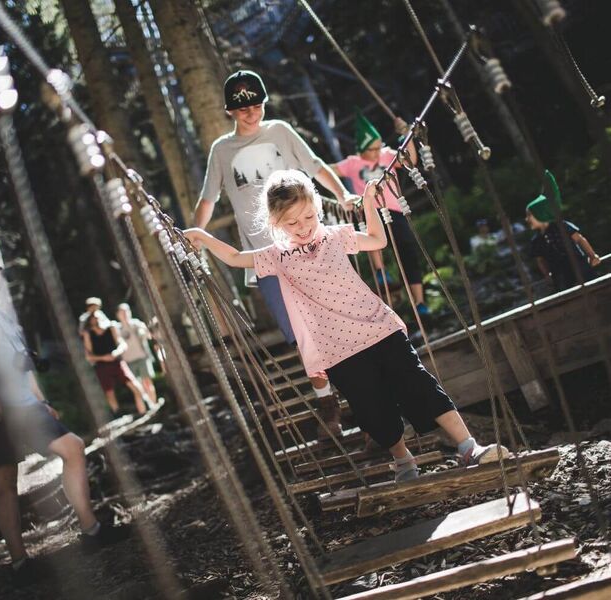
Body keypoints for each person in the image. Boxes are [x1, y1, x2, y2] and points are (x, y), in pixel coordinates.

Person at [185, 169, 507, 481]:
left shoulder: (336, 236)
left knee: (418, 383)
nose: (303, 227)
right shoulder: (276, 256)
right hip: (336, 348)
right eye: (292, 222)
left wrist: (368, 204)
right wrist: (203, 237)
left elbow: (377, 240)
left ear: (318, 208)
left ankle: (468, 447)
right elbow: (236, 257)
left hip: (377, 327)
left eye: (308, 217)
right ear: (275, 223)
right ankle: (403, 460)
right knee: (371, 406)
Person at [193, 69, 357, 438]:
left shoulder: (280, 131)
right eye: (242, 108)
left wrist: (343, 194)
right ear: (229, 112)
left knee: (334, 319)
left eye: (256, 104)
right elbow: (209, 198)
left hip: (308, 245)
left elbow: (314, 166)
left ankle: (358, 395)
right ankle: (329, 404)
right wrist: (196, 234)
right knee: (301, 335)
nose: (251, 113)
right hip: (265, 256)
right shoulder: (222, 150)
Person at [0, 258, 126, 583]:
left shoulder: (2, 316)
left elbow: (23, 363)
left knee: (73, 447)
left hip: (26, 404)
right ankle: (20, 563)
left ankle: (91, 530)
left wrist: (43, 401)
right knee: (5, 479)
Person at [330, 112, 429, 316]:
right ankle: (380, 271)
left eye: (377, 147)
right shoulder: (352, 163)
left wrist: (406, 134)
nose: (376, 153)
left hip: (394, 210)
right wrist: (343, 194)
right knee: (372, 238)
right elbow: (326, 171)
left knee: (408, 251)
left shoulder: (387, 155)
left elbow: (410, 160)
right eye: (371, 150)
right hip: (369, 212)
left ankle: (419, 302)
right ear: (361, 149)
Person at [526, 195, 600, 292]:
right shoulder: (537, 240)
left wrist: (592, 255)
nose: (527, 219)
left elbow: (579, 239)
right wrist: (547, 275)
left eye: (529, 215)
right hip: (560, 275)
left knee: (591, 287)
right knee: (569, 293)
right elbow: (540, 260)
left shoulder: (562, 226)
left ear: (541, 213)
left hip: (579, 267)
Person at [82, 311, 149, 416]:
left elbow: (122, 344)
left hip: (117, 362)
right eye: (93, 318)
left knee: (134, 384)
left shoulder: (111, 327)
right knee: (109, 392)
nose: (96, 319)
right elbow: (89, 356)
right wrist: (103, 358)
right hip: (102, 366)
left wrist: (115, 353)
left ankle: (144, 409)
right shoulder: (88, 334)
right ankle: (117, 413)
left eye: (98, 317)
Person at [116, 303, 157, 404]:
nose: (125, 314)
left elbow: (148, 335)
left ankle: (154, 404)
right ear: (118, 315)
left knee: (147, 383)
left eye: (126, 311)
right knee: (137, 388)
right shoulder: (117, 329)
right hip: (128, 361)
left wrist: (144, 332)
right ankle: (145, 409)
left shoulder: (137, 324)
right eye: (122, 312)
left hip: (142, 357)